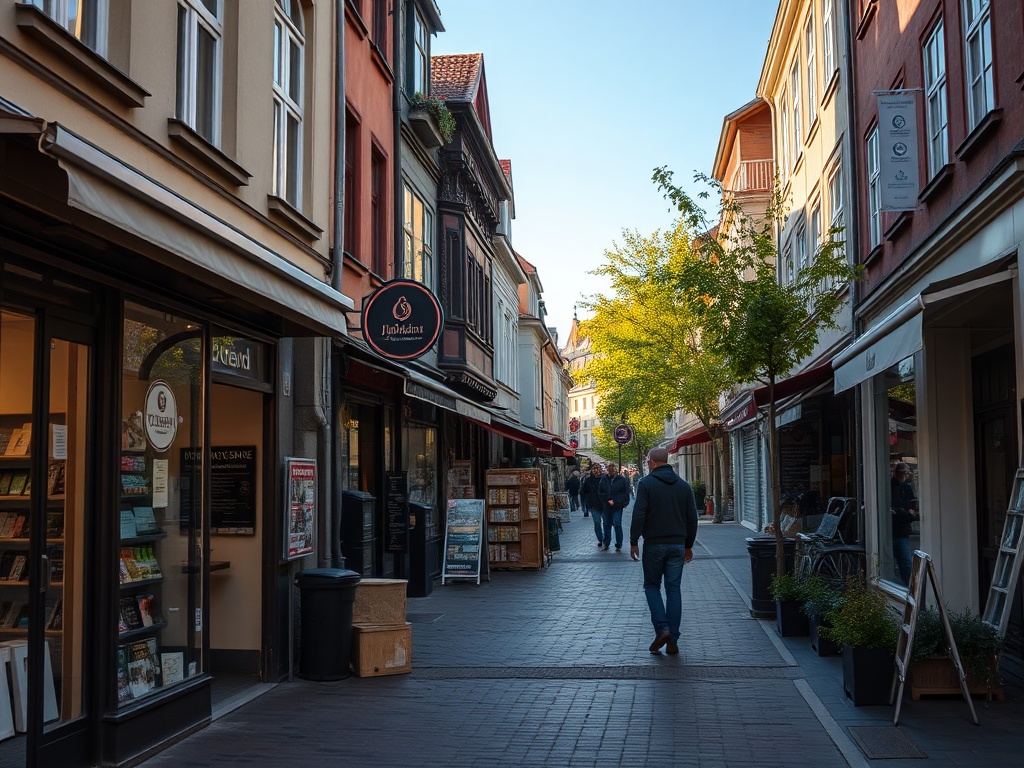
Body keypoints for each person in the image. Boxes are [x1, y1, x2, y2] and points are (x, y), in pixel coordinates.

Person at [630, 448, 698, 655]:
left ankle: (663, 629)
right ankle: (673, 640)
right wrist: (688, 545)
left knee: (652, 586)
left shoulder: (646, 484)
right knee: (673, 590)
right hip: (677, 545)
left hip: (654, 544)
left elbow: (639, 514)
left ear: (652, 462)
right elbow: (692, 518)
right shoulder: (684, 486)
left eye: (648, 461)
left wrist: (634, 541)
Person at [891, 461, 918, 586]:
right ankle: (909, 588)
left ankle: (909, 588)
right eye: (902, 472)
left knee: (905, 562)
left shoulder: (905, 487)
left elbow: (910, 506)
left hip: (897, 529)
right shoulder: (897, 486)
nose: (904, 475)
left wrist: (906, 512)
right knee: (904, 562)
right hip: (897, 529)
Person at [603, 463, 632, 552]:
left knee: (617, 524)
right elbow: (601, 491)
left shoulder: (621, 479)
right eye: (609, 469)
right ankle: (606, 543)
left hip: (617, 505)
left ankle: (619, 543)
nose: (611, 470)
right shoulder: (604, 479)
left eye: (613, 469)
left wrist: (623, 502)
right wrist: (607, 500)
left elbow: (625, 491)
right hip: (606, 506)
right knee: (607, 524)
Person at [580, 462, 609, 546]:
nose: (596, 471)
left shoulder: (605, 479)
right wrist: (584, 503)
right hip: (593, 505)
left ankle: (606, 539)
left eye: (598, 469)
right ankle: (601, 539)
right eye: (594, 469)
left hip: (604, 504)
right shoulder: (588, 480)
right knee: (597, 522)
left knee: (606, 523)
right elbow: (583, 492)